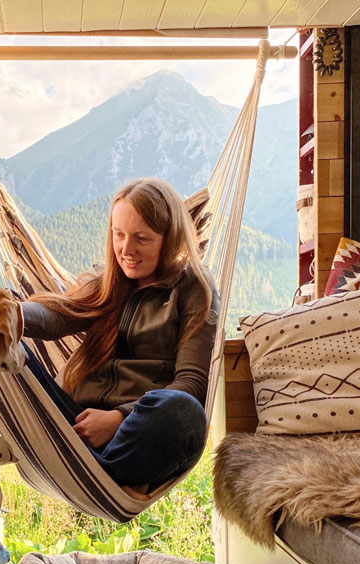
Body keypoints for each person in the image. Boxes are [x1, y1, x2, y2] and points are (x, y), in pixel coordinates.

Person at [21, 178, 220, 497]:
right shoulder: (109, 282)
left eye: (141, 238)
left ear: (168, 240)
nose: (126, 250)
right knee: (0, 345)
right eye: (119, 235)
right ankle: (105, 474)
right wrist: (10, 316)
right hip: (77, 425)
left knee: (183, 410)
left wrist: (119, 418)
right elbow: (57, 317)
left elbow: (192, 384)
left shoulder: (193, 287)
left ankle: (100, 476)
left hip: (139, 429)